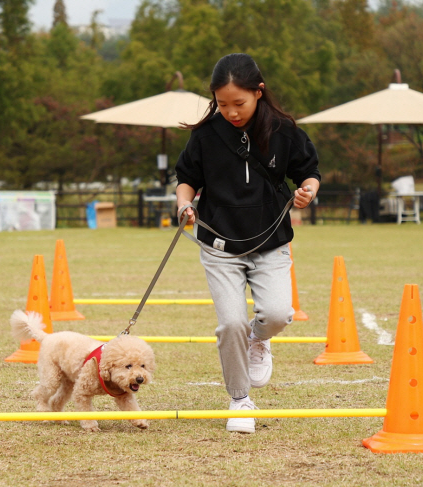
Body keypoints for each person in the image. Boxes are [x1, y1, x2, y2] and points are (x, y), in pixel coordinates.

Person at [175, 53, 321, 434]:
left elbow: (308, 172)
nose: (231, 112)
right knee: (231, 323)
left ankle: (260, 339)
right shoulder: (206, 135)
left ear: (259, 93)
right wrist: (184, 204)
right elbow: (187, 177)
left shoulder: (284, 130)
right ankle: (240, 399)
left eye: (238, 103)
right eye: (222, 104)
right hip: (219, 246)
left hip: (271, 242)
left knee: (276, 314)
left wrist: (308, 191)